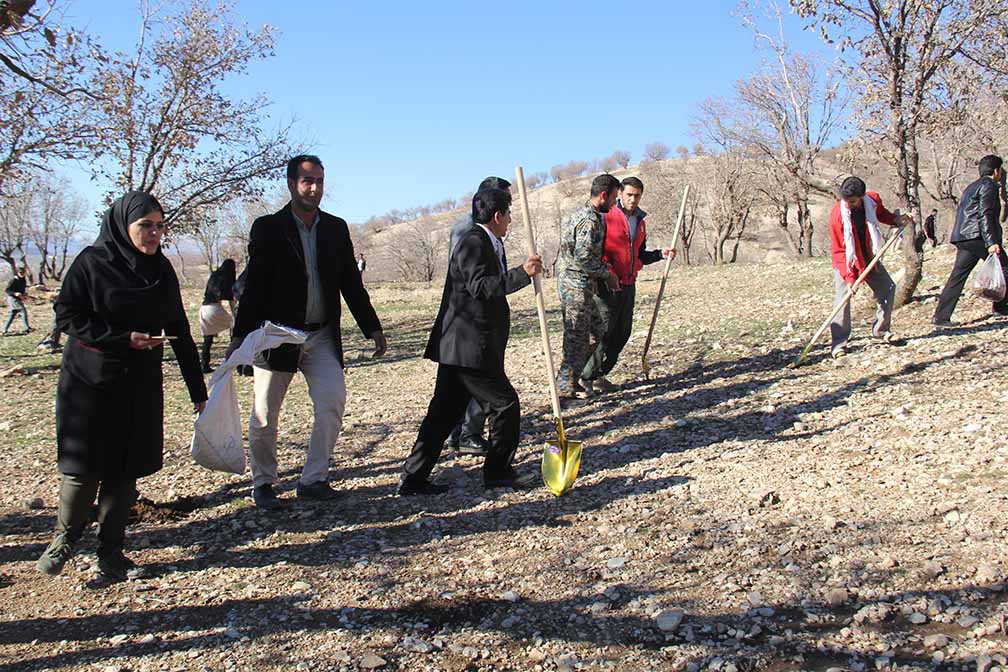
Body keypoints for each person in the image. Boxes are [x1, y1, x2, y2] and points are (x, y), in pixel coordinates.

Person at [35, 191, 207, 583]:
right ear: (122, 224)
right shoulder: (91, 263)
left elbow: (179, 328)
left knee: (124, 471)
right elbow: (67, 315)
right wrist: (121, 338)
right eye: (145, 225)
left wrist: (198, 390)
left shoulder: (160, 270)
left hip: (139, 383)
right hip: (88, 381)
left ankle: (111, 553)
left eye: (160, 226)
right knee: (83, 468)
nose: (154, 233)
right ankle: (65, 538)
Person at [230, 154, 386, 509]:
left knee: (332, 403)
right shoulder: (268, 228)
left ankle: (314, 479)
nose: (314, 188)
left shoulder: (335, 228)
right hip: (278, 334)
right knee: (265, 413)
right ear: (291, 183)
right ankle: (264, 483)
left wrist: (372, 326)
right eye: (307, 181)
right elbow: (254, 287)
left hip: (321, 335)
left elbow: (351, 282)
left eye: (319, 181)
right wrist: (239, 338)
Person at [398, 187, 543, 495]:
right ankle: (498, 472)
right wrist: (523, 273)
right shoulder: (473, 242)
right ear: (498, 216)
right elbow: (480, 287)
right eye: (509, 214)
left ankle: (413, 478)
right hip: (467, 348)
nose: (511, 220)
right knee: (505, 405)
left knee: (444, 413)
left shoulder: (489, 242)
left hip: (465, 347)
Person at [581, 176, 674, 393]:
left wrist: (660, 254)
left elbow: (639, 254)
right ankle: (584, 376)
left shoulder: (640, 222)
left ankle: (599, 374)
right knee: (604, 332)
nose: (633, 199)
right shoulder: (606, 215)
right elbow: (597, 252)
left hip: (629, 283)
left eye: (637, 195)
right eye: (629, 194)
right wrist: (608, 275)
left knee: (623, 333)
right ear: (620, 194)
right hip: (607, 284)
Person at [445, 176, 512, 457]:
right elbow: (475, 283)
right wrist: (520, 275)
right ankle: (469, 435)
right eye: (506, 204)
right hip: (469, 326)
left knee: (450, 397)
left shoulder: (490, 233)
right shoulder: (470, 232)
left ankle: (456, 435)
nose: (510, 214)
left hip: (483, 324)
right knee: (492, 392)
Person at [828, 176, 912, 358]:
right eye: (846, 201)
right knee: (842, 299)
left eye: (852, 201)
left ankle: (881, 330)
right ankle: (838, 345)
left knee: (888, 287)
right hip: (847, 261)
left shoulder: (872, 201)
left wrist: (897, 220)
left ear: (861, 197)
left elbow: (881, 214)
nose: (848, 204)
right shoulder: (837, 215)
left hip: (868, 257)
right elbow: (839, 251)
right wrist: (850, 279)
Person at [555, 174, 621, 398]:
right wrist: (607, 275)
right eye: (613, 198)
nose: (614, 203)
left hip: (584, 283)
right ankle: (564, 387)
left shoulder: (595, 216)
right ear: (603, 195)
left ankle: (571, 379)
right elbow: (583, 257)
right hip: (574, 283)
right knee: (576, 335)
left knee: (595, 331)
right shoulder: (589, 220)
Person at [934, 154, 1007, 327]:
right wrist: (991, 242)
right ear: (996, 171)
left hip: (963, 237)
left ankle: (941, 317)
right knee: (1004, 267)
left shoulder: (971, 187)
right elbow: (985, 214)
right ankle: (1001, 306)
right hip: (978, 237)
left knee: (957, 276)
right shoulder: (988, 186)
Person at [198, 258, 237, 373]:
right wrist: (235, 315)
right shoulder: (227, 279)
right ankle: (234, 359)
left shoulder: (214, 276)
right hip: (214, 309)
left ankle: (204, 364)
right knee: (235, 327)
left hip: (203, 309)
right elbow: (231, 299)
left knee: (207, 339)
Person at [3, 267, 31, 335]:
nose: (22, 274)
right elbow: (7, 290)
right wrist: (15, 293)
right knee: (23, 310)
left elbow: (22, 289)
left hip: (18, 298)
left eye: (23, 272)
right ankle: (27, 328)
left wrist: (24, 295)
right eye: (20, 272)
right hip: (12, 298)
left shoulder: (23, 279)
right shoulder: (14, 280)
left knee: (13, 314)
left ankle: (4, 330)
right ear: (18, 273)